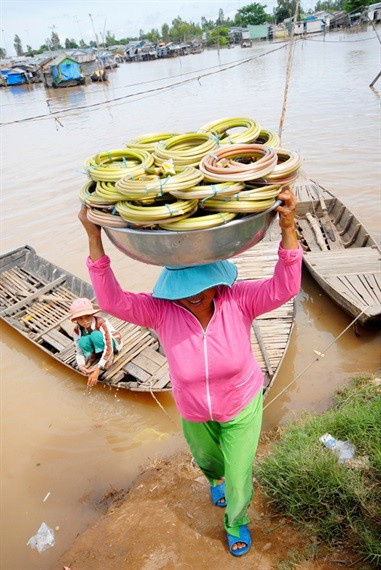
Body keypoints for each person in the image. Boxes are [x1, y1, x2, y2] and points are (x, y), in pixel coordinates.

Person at [78, 188, 302, 556]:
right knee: (209, 461)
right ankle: (213, 476)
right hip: (194, 409)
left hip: (242, 404)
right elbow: (111, 301)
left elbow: (285, 286)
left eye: (200, 286)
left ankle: (235, 518)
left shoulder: (240, 301)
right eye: (182, 289)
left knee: (239, 472)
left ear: (217, 280)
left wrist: (288, 223)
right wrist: (93, 234)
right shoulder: (160, 312)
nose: (191, 295)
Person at [70, 298, 123, 386]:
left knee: (95, 335)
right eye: (80, 318)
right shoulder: (76, 330)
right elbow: (78, 351)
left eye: (87, 316)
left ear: (92, 314)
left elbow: (108, 344)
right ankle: (93, 355)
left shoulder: (101, 322)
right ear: (76, 320)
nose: (85, 321)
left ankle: (109, 357)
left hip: (112, 344)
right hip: (97, 345)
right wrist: (81, 365)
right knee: (82, 341)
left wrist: (99, 366)